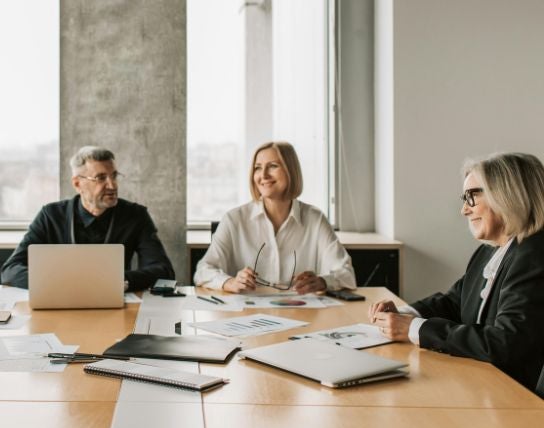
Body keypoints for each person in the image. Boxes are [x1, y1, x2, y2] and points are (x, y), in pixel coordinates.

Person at [369, 152, 544, 394]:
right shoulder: (489, 252)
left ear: (506, 195)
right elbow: (454, 301)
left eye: (471, 197)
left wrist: (414, 328)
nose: (464, 210)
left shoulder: (535, 255)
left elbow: (506, 342)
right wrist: (405, 313)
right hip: (483, 387)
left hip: (516, 400)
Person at [0, 145, 175, 291]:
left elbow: (164, 271)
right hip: (62, 304)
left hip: (114, 303)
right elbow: (11, 270)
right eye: (101, 178)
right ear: (78, 184)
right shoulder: (51, 216)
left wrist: (119, 281)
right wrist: (62, 283)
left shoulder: (135, 215)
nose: (112, 185)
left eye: (114, 176)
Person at [194, 141, 356, 294]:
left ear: (291, 171)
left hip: (302, 315)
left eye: (272, 166)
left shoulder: (315, 219)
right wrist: (230, 282)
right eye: (257, 168)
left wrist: (322, 281)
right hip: (247, 316)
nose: (263, 175)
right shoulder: (234, 219)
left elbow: (346, 274)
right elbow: (203, 271)